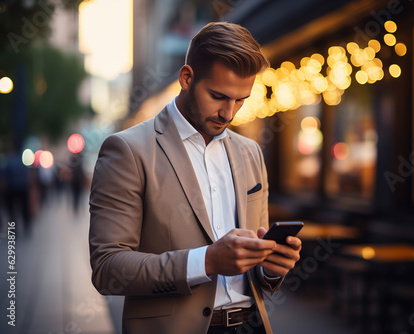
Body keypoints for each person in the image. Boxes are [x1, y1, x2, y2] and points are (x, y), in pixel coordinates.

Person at [89, 22, 301, 334]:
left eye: (241, 99)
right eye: (218, 96)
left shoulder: (250, 153)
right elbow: (108, 270)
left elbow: (257, 272)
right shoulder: (128, 150)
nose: (229, 114)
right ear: (186, 78)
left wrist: (270, 269)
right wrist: (207, 261)